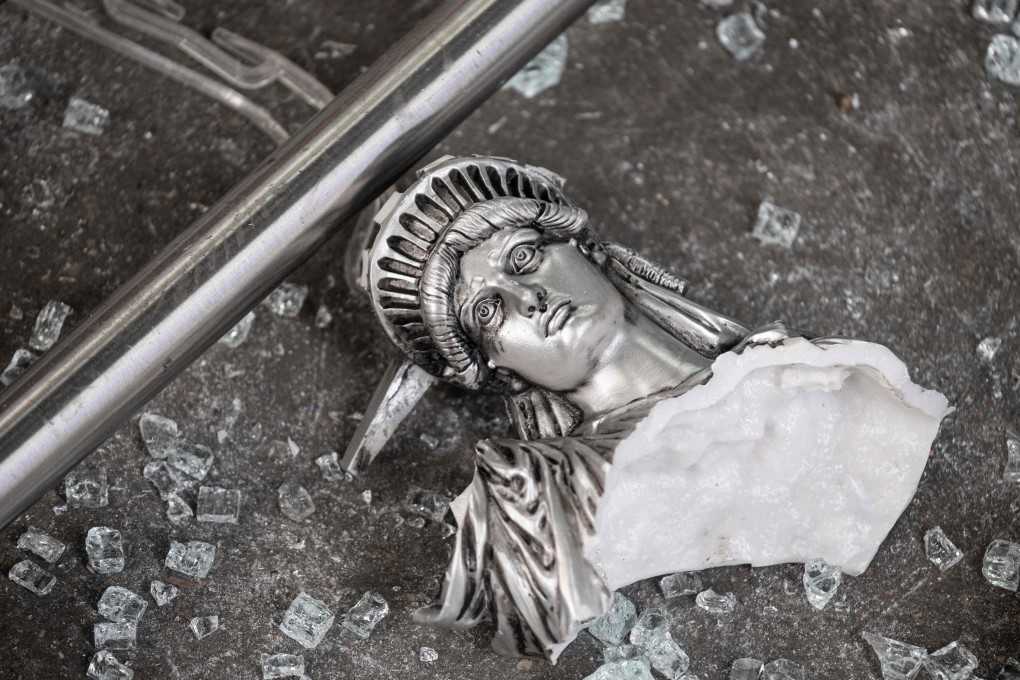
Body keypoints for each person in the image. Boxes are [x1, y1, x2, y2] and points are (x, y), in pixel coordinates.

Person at [360, 156, 950, 660]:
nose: (529, 300)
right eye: (489, 311)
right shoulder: (531, 512)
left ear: (581, 248)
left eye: (521, 259)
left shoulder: (821, 379)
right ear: (494, 367)